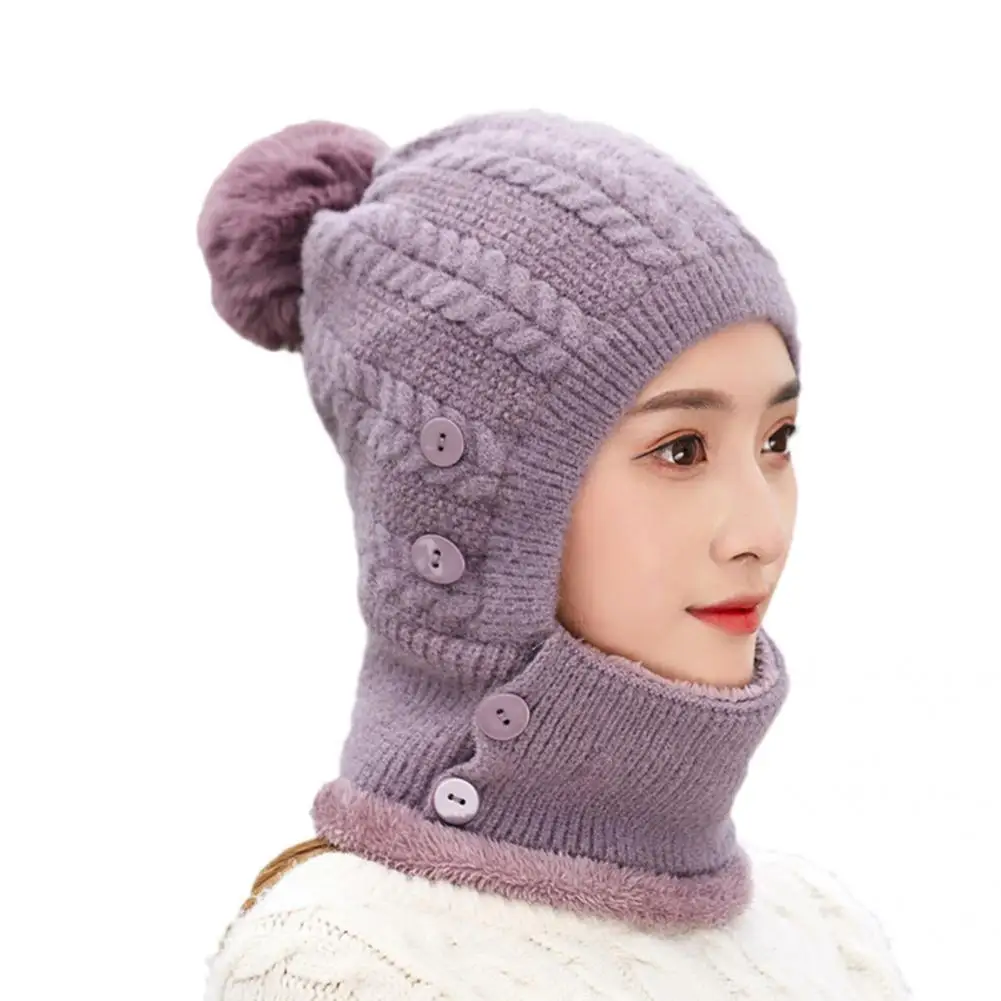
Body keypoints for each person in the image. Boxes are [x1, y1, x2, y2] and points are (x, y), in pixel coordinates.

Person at [196, 109, 913, 999]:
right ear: (462, 518)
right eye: (680, 450)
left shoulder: (826, 938)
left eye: (777, 440)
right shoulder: (346, 964)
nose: (759, 531)